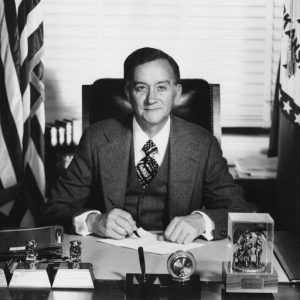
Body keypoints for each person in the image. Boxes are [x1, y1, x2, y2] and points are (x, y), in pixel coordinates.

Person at [41, 47, 248, 244]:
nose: (151, 99)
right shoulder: (96, 139)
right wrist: (94, 221)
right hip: (111, 253)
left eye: (161, 87)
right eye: (141, 88)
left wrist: (203, 221)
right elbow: (54, 209)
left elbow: (240, 211)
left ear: (176, 93)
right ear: (128, 92)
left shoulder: (203, 144)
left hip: (179, 256)